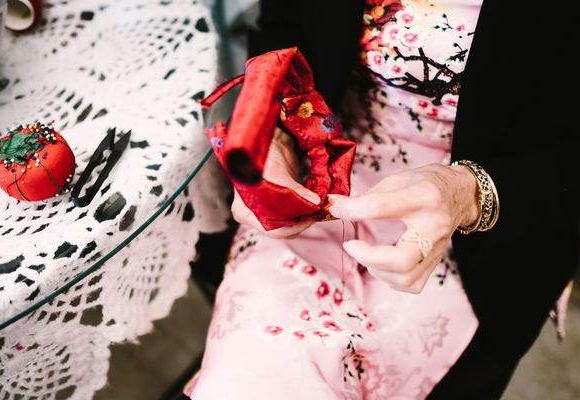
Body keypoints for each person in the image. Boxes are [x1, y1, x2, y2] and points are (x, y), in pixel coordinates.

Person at [187, 1, 579, 398]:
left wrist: (471, 193)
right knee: (255, 372)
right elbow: (283, 22)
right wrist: (276, 137)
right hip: (319, 179)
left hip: (488, 233)